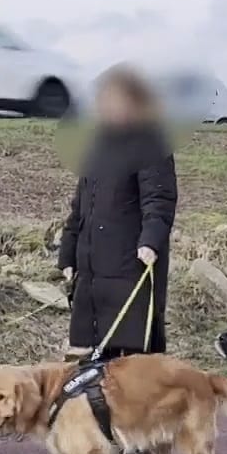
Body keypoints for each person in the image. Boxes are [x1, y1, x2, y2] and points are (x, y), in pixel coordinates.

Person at [60, 64, 179, 361]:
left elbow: (159, 199)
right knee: (91, 362)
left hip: (129, 267)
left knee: (129, 367)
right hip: (92, 275)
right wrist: (68, 253)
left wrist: (150, 241)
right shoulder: (96, 147)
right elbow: (80, 207)